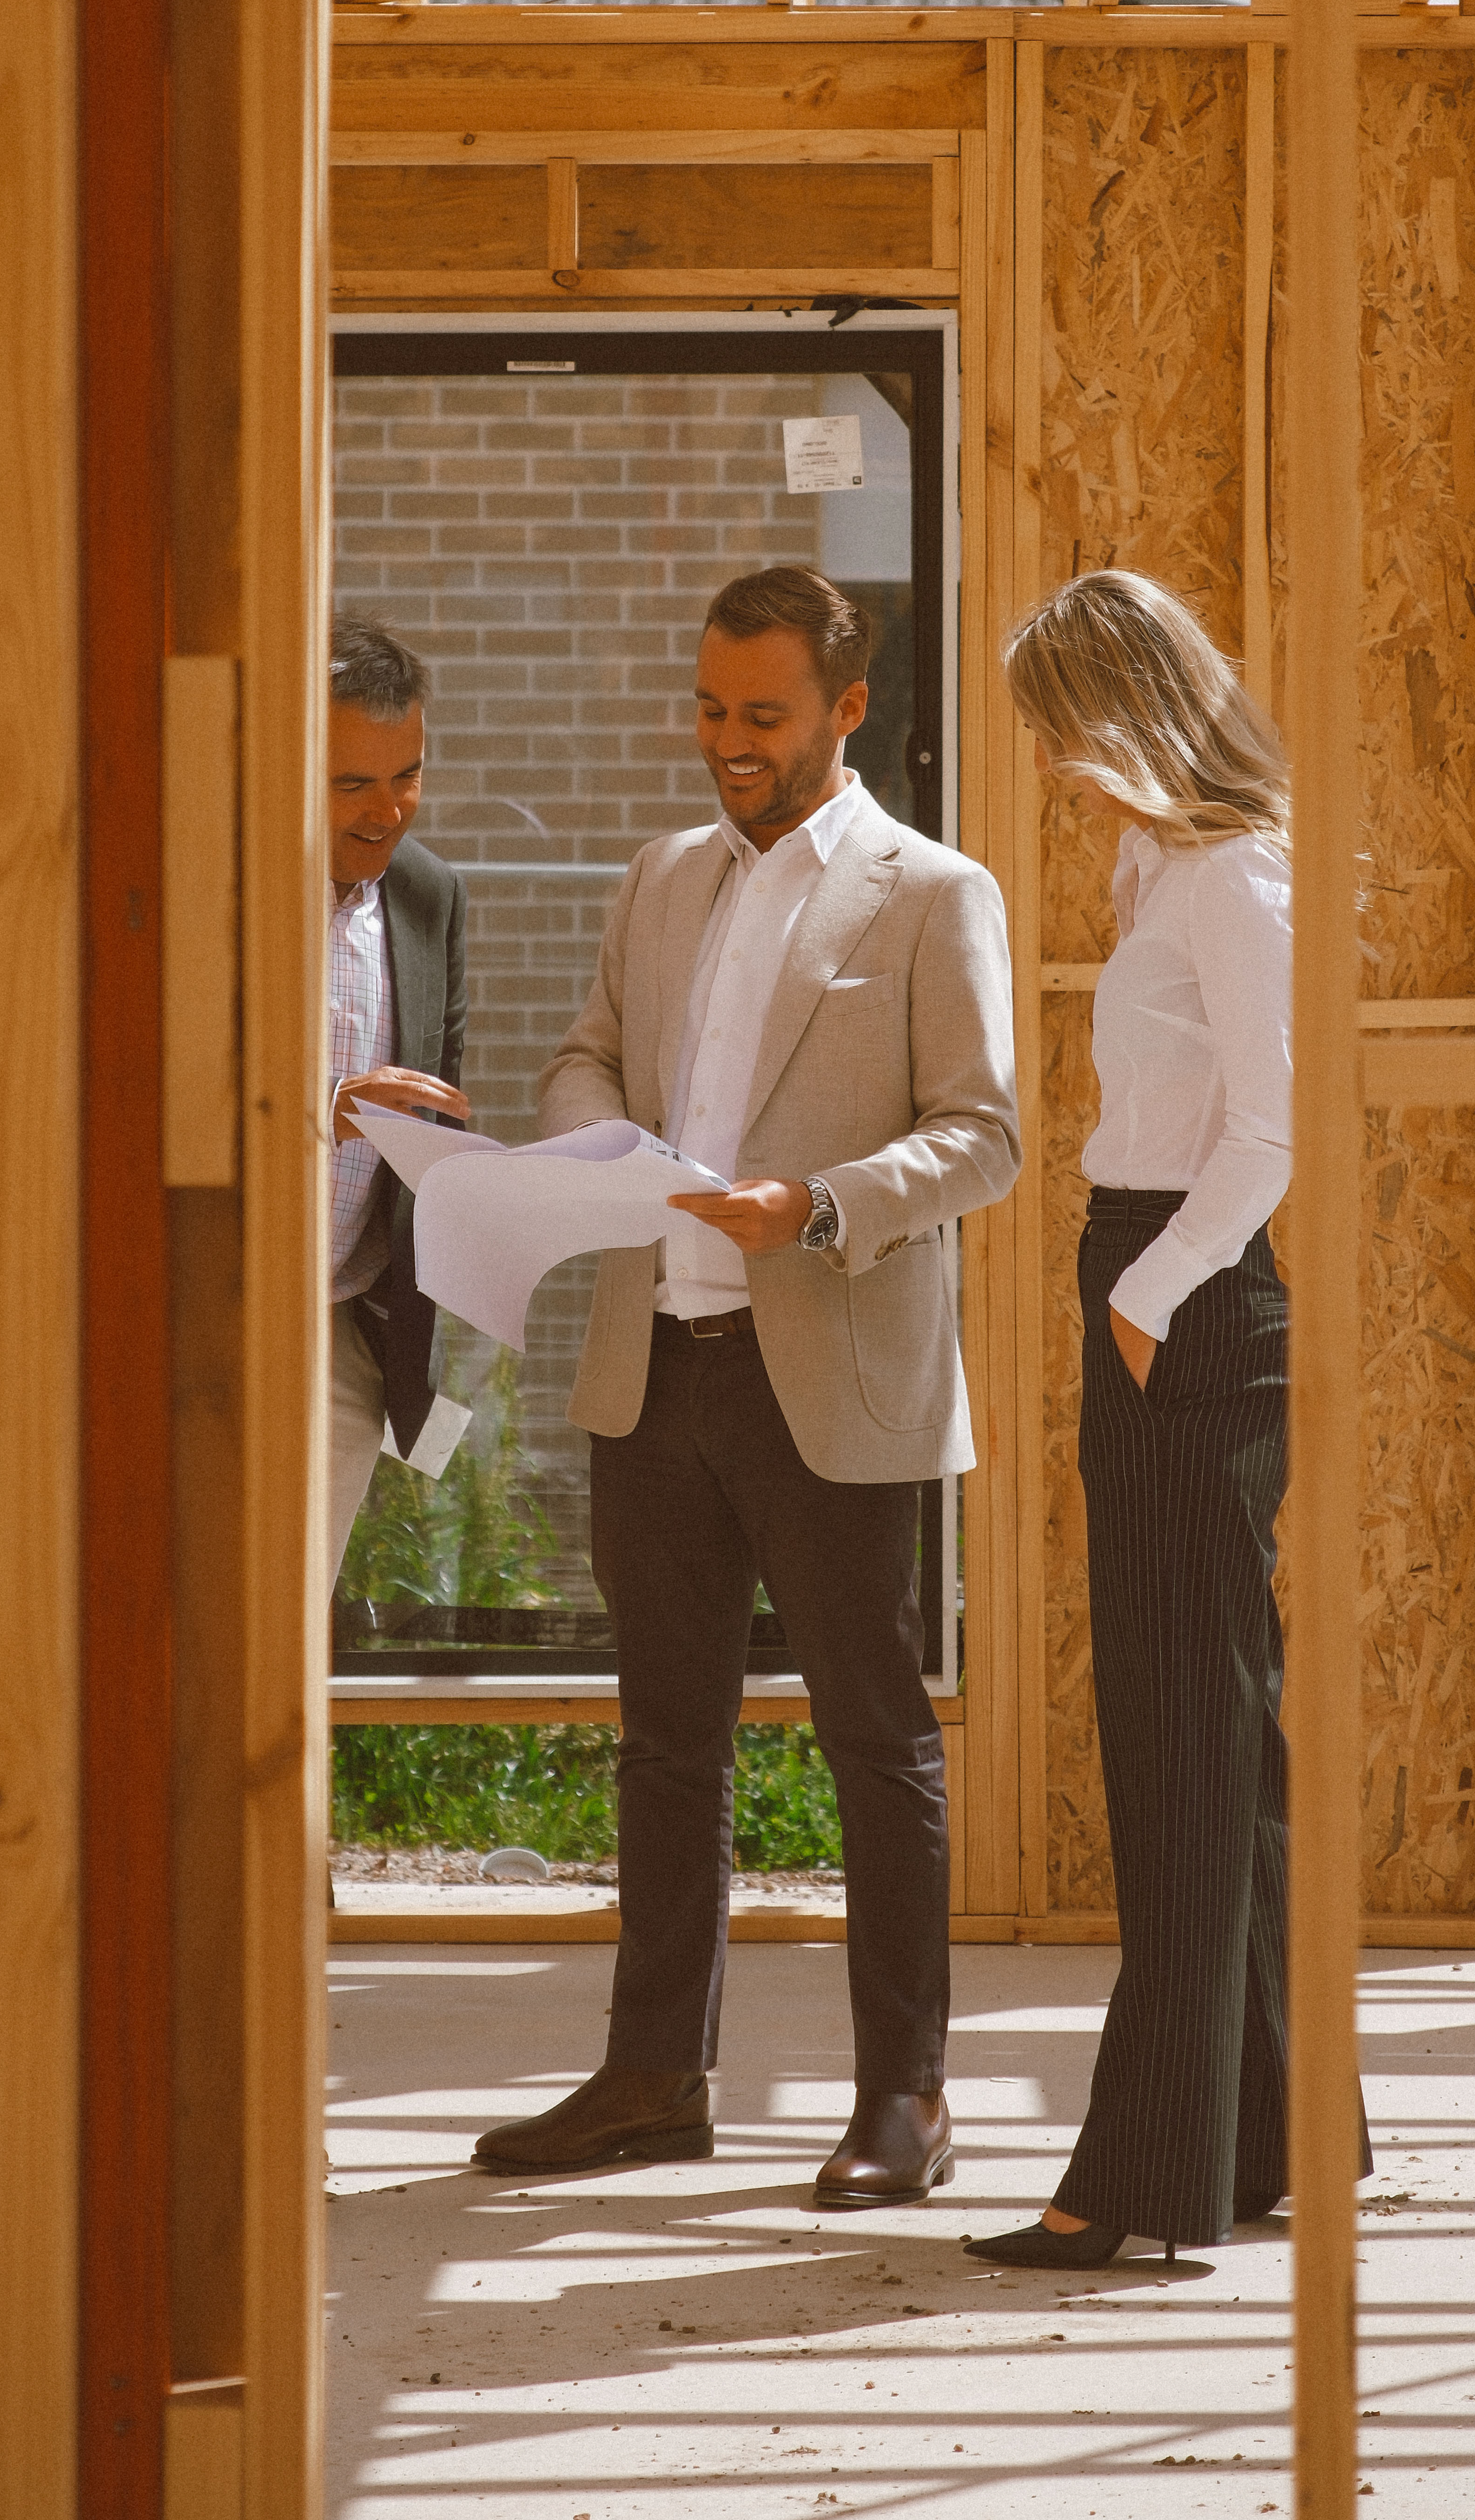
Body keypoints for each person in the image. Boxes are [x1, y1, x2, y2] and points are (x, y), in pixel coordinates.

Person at [472, 566, 1019, 2206]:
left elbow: (985, 1132)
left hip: (830, 1369)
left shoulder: (934, 892)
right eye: (711, 708)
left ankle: (908, 2094)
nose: (727, 740)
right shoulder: (658, 878)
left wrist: (819, 1203)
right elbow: (586, 1047)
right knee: (666, 1743)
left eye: (762, 715)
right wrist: (593, 1134)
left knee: (874, 1738)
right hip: (659, 1371)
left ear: (847, 711)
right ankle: (654, 2073)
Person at [963, 569, 1369, 2269]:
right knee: (1212, 1732)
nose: (1053, 763)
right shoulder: (1160, 863)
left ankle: (1137, 2183)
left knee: (1183, 1744)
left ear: (1131, 706)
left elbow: (1280, 1129)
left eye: (1063, 726)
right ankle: (1272, 2142)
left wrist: (1147, 1295)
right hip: (1138, 1275)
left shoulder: (1232, 875)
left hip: (1183, 1301)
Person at [324, 615, 469, 1582]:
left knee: (281, 1652)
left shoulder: (428, 896)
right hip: (198, 1330)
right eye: (351, 784)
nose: (387, 810)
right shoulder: (212, 880)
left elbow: (437, 1119)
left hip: (341, 1344)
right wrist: (320, 1105)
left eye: (405, 775)